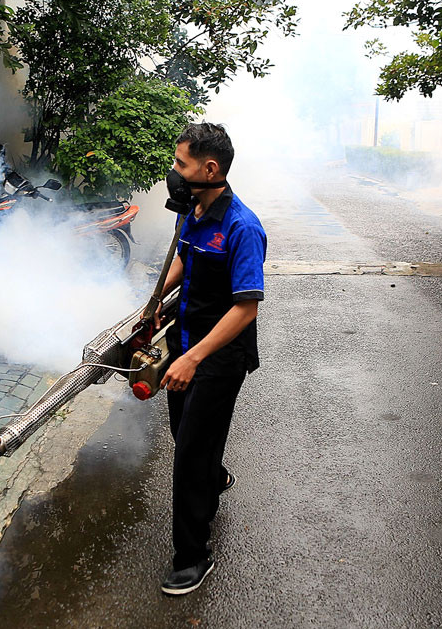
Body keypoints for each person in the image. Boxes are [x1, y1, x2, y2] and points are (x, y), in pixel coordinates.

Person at [156, 122, 266, 595]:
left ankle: (192, 556)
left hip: (219, 356)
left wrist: (194, 358)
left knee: (189, 454)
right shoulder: (193, 210)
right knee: (184, 429)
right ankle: (215, 476)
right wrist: (151, 305)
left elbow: (246, 306)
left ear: (209, 168)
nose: (174, 172)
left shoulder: (241, 226)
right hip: (183, 341)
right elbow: (182, 258)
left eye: (181, 164)